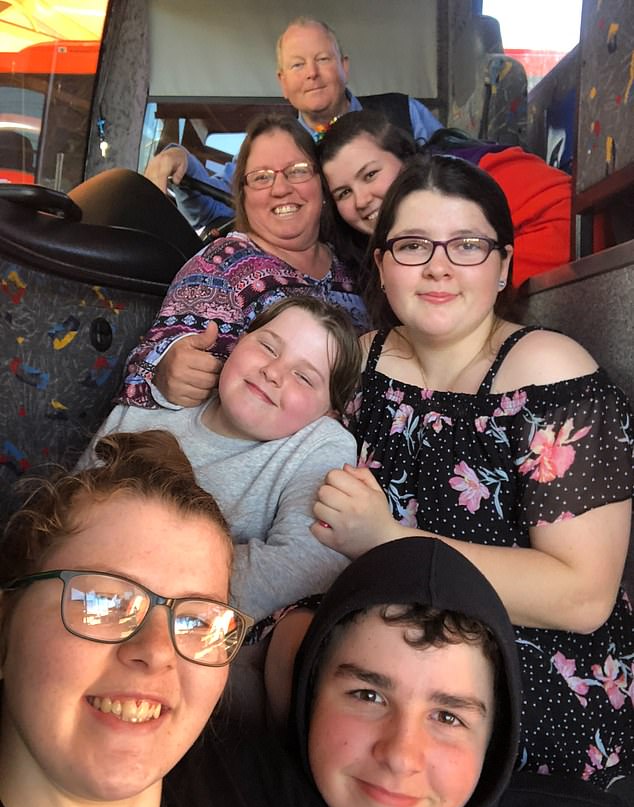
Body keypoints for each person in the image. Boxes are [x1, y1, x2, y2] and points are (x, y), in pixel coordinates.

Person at [309, 154, 634, 786]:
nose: (438, 267)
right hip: (373, 664)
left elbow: (583, 595)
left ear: (504, 263)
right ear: (380, 263)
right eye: (411, 245)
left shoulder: (549, 372)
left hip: (526, 673)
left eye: (467, 245)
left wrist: (389, 542)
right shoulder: (351, 364)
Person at [0, 429, 271, 807]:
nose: (158, 651)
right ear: (5, 624)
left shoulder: (270, 804)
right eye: (104, 602)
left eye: (199, 622)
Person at [286, 537, 632, 807]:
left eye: (448, 717)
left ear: (493, 739)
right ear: (310, 693)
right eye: (368, 696)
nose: (401, 757)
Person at [83, 298, 359, 622]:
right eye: (268, 347)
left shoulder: (321, 443)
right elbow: (67, 509)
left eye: (304, 377)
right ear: (238, 344)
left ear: (327, 412)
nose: (273, 372)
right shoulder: (154, 400)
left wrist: (145, 594)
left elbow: (306, 563)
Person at [118, 114, 369, 410]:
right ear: (243, 196)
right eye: (261, 177)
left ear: (322, 187)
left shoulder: (354, 265)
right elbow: (142, 365)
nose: (280, 189)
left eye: (298, 171)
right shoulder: (220, 265)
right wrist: (164, 369)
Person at [145, 16, 442, 231]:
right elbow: (216, 208)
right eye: (297, 65)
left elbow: (456, 179)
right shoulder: (277, 147)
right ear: (282, 83)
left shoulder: (404, 112)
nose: (312, 73)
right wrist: (179, 158)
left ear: (344, 66)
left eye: (323, 59)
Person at [318, 110, 572, 286]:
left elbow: (574, 217)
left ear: (405, 159)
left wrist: (479, 283)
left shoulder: (478, 169)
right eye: (344, 193)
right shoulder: (366, 258)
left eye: (370, 175)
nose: (361, 200)